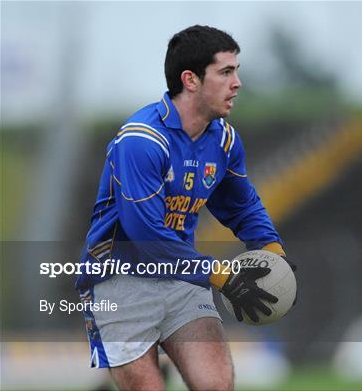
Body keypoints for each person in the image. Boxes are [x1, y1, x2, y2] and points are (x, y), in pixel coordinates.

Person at [75, 25, 296, 391]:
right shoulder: (141, 141)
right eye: (226, 72)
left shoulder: (223, 139)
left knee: (216, 385)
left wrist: (274, 253)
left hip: (181, 279)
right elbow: (148, 238)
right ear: (190, 80)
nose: (237, 82)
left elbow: (241, 205)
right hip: (118, 282)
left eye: (236, 70)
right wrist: (224, 277)